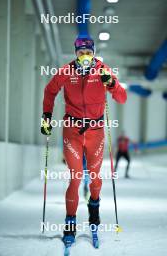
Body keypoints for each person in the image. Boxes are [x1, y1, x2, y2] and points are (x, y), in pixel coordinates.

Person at [41, 36, 127, 247]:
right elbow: (49, 91)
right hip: (73, 131)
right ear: (76, 53)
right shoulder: (66, 71)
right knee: (76, 177)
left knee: (95, 179)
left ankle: (94, 218)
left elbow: (122, 97)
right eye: (81, 53)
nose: (85, 56)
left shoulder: (102, 70)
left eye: (89, 52)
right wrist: (46, 117)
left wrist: (113, 84)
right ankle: (69, 225)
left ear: (94, 53)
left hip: (96, 133)